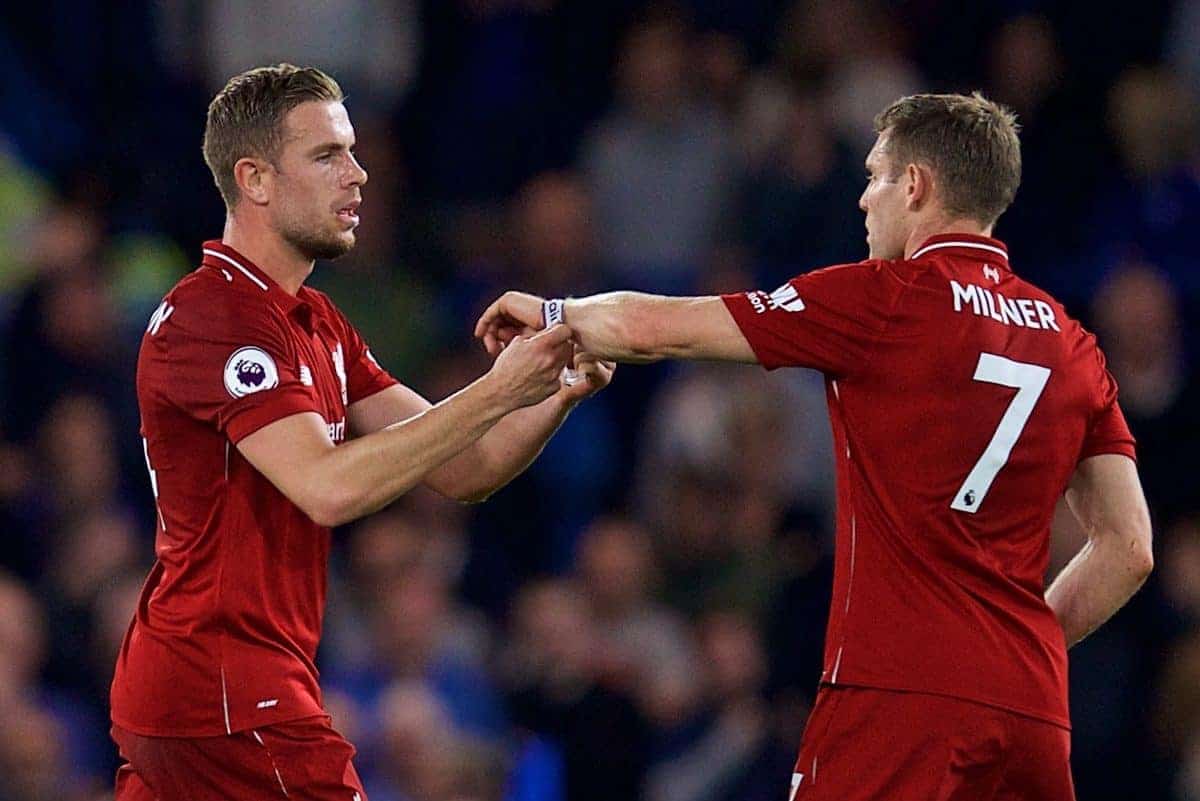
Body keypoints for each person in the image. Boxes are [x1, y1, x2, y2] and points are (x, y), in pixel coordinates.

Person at [477, 92, 1155, 800]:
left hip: (898, 696)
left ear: (916, 185)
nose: (865, 200)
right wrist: (1020, 652)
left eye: (875, 175)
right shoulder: (1073, 345)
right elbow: (1129, 546)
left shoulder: (883, 298)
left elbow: (661, 327)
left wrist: (555, 311)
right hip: (1031, 712)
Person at [109, 64, 613, 801]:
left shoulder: (316, 322)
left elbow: (467, 466)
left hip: (215, 693)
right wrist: (500, 386)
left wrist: (556, 390)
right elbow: (329, 485)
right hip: (227, 696)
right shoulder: (215, 318)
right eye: (327, 155)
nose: (360, 175)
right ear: (254, 179)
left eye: (352, 151)